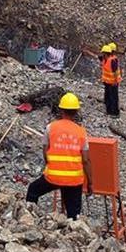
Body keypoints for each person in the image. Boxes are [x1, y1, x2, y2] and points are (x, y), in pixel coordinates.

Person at [26, 92, 93, 220]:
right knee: (73, 213)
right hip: (74, 180)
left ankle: (29, 220)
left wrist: (51, 165)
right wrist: (90, 183)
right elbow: (86, 160)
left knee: (33, 190)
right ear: (76, 112)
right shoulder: (81, 132)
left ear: (61, 110)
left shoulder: (50, 128)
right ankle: (72, 229)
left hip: (53, 177)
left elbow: (45, 152)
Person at [101, 45, 122, 118]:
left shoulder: (112, 60)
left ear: (106, 53)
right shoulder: (105, 59)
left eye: (103, 53)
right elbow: (96, 56)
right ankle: (109, 111)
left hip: (113, 83)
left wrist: (115, 81)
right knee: (108, 97)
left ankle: (115, 113)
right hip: (107, 82)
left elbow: (115, 72)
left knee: (113, 97)